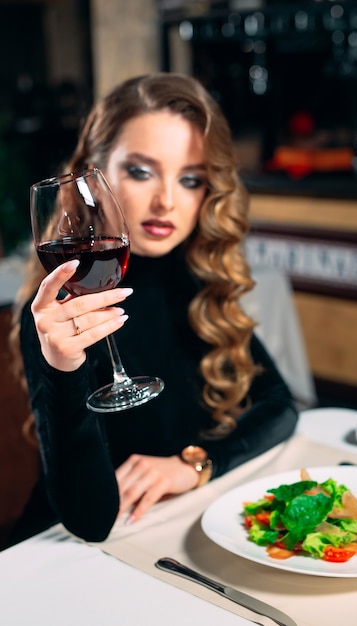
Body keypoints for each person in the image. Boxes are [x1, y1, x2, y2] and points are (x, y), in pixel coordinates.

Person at [8, 72, 298, 546]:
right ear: (93, 177)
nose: (166, 201)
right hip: (64, 552)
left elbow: (280, 407)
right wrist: (63, 368)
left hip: (176, 526)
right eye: (141, 171)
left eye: (190, 179)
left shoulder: (194, 280)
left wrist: (192, 465)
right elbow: (90, 522)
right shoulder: (56, 316)